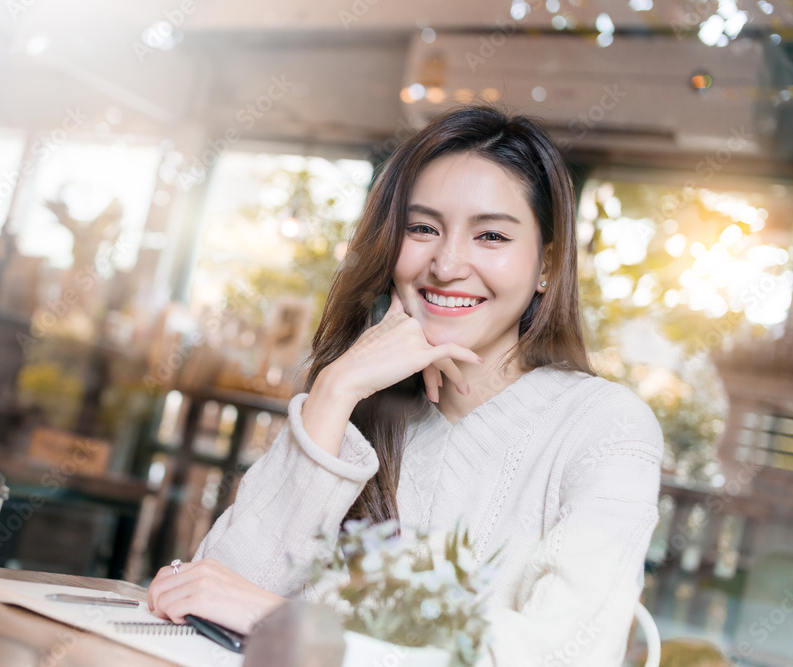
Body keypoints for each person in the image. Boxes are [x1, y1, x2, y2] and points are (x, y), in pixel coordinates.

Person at [146, 105, 664, 665]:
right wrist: (335, 390)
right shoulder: (365, 403)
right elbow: (212, 596)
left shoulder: (607, 426)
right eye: (422, 229)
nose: (446, 264)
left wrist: (287, 620)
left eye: (490, 235)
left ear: (547, 265)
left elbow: (565, 653)